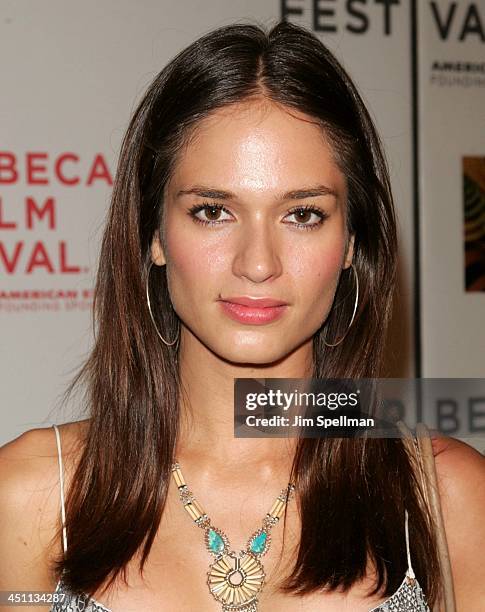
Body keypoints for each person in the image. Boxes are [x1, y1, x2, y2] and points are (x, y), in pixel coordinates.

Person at [0, 20, 484, 612]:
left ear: (353, 240)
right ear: (153, 233)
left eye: (303, 215)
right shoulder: (29, 495)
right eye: (212, 211)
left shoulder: (448, 497)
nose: (258, 264)